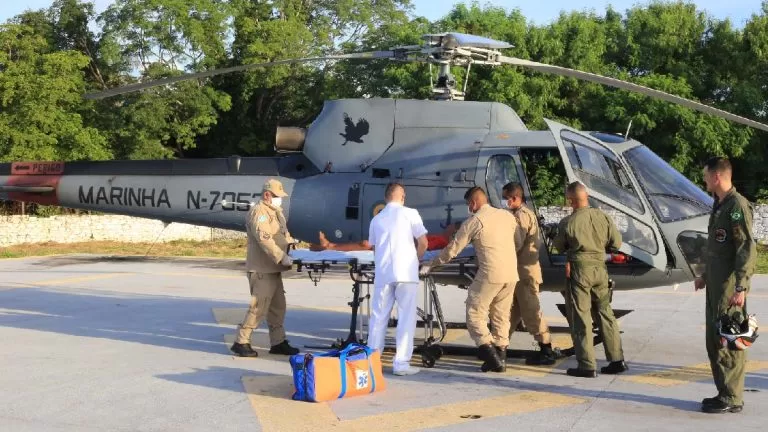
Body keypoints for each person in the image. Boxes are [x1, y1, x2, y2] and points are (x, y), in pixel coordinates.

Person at [421, 186, 520, 373]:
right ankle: (501, 358)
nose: (469, 208)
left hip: (491, 273)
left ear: (473, 203)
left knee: (474, 313)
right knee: (500, 315)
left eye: (469, 204)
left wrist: (431, 263)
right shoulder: (507, 216)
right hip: (511, 274)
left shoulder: (474, 221)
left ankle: (490, 354)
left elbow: (452, 250)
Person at [695, 157, 757, 414]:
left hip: (730, 286)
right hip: (716, 284)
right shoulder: (720, 204)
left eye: (706, 175)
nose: (704, 179)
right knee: (714, 339)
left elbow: (746, 249)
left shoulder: (736, 207)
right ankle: (725, 392)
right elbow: (718, 248)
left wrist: (741, 287)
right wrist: (705, 274)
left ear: (717, 177)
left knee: (729, 337)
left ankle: (733, 397)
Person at [552, 181, 627, 378]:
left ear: (571, 200)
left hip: (580, 271)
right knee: (605, 313)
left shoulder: (568, 222)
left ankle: (586, 364)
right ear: (586, 196)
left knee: (581, 317)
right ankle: (617, 360)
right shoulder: (603, 216)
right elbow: (616, 243)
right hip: (600, 270)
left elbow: (558, 246)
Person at [230, 178, 300, 358]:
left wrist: (293, 248)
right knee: (259, 307)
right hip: (262, 269)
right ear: (267, 194)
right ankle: (241, 341)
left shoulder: (276, 212)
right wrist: (282, 257)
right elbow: (265, 239)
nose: (280, 200)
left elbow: (282, 236)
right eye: (277, 196)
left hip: (273, 268)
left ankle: (278, 342)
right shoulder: (259, 212)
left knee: (278, 307)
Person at [367, 183, 429, 376]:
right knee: (406, 318)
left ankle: (372, 363)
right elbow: (423, 243)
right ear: (402, 197)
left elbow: (374, 248)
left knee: (378, 317)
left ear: (386, 197)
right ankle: (401, 364)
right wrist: (414, 260)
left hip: (384, 274)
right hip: (406, 275)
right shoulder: (411, 214)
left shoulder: (376, 220)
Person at [501, 182, 557, 365]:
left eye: (506, 198)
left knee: (531, 311)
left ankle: (546, 349)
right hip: (519, 273)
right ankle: (499, 346)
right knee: (509, 313)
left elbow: (515, 244)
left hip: (525, 274)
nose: (504, 202)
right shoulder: (519, 214)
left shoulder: (521, 217)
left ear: (515, 198)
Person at [309, 222, 461, 252]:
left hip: (401, 247)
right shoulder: (441, 238)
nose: (448, 225)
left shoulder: (442, 241)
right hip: (401, 244)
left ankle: (329, 246)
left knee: (366, 244)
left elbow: (422, 246)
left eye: (452, 226)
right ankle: (328, 247)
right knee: (366, 244)